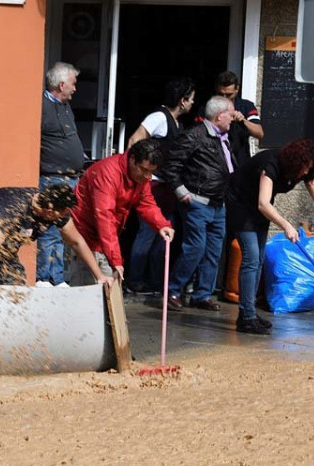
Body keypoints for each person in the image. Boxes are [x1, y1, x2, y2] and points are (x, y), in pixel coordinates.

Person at [226, 139, 314, 334]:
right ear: (295, 161)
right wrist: (286, 225)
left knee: (259, 259)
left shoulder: (307, 172)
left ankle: (249, 312)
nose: (305, 172)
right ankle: (246, 317)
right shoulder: (271, 163)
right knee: (252, 259)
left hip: (261, 210)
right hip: (241, 204)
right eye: (304, 167)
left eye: (309, 168)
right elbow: (263, 203)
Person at [0, 184, 113, 296]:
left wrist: (99, 276)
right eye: (63, 214)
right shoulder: (14, 209)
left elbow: (77, 241)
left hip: (3, 243)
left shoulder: (54, 211)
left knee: (16, 284)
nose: (65, 218)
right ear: (50, 212)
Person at [159, 96, 236, 311]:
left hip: (218, 203)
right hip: (197, 202)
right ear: (219, 115)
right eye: (230, 114)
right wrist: (181, 191)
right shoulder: (194, 135)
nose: (233, 118)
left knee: (213, 251)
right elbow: (171, 165)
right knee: (195, 247)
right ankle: (172, 290)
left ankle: (202, 294)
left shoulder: (223, 137)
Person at [66, 138, 175, 286]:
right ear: (132, 159)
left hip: (105, 240)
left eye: (151, 172)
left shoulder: (140, 178)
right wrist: (115, 259)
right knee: (88, 294)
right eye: (144, 170)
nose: (148, 176)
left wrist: (161, 224)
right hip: (84, 235)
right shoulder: (107, 174)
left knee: (106, 292)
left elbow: (146, 203)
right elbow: (105, 217)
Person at [126, 78, 195, 293]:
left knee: (162, 236)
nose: (193, 103)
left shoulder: (176, 123)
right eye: (191, 99)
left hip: (167, 188)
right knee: (147, 234)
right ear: (182, 100)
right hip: (153, 186)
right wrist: (140, 174)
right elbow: (135, 140)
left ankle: (155, 282)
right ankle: (134, 280)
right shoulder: (159, 117)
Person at [37, 61, 87, 287]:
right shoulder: (42, 106)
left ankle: (56, 277)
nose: (75, 88)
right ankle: (46, 278)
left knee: (62, 229)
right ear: (61, 84)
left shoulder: (65, 107)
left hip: (69, 178)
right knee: (49, 229)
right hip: (52, 178)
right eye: (73, 84)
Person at [214, 71, 264, 167]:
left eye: (229, 95)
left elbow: (260, 133)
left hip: (240, 162)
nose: (224, 98)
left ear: (237, 89)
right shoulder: (208, 108)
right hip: (215, 162)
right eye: (221, 94)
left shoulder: (246, 106)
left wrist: (243, 121)